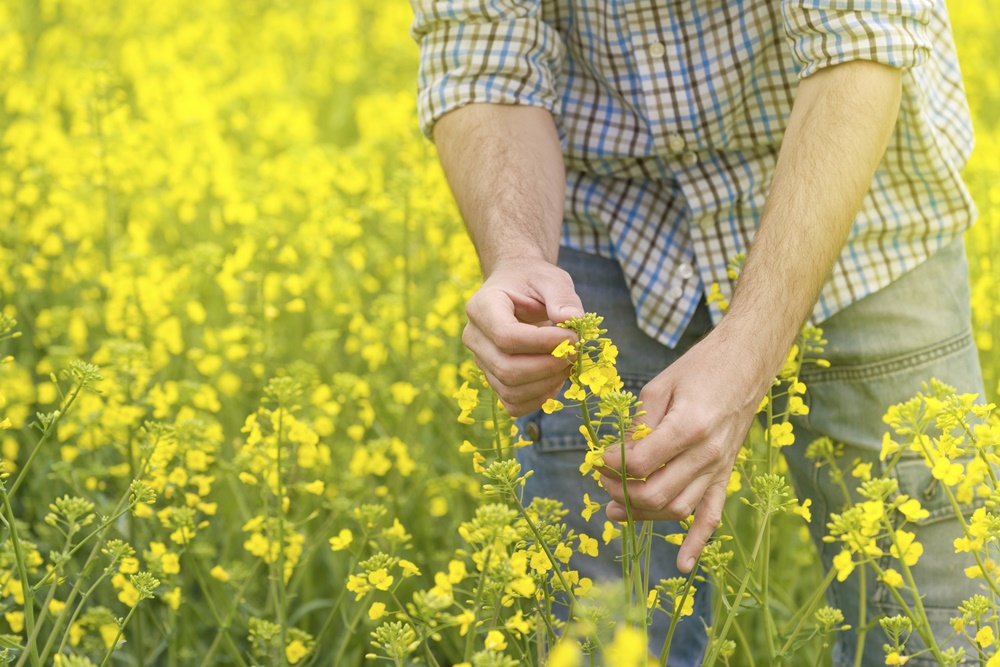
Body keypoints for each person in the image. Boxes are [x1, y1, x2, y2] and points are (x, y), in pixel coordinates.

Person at [408, 1, 984, 664]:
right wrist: (518, 255)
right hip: (603, 227)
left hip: (857, 212)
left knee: (939, 632)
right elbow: (481, 53)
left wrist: (748, 350)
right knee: (604, 638)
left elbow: (856, 41)